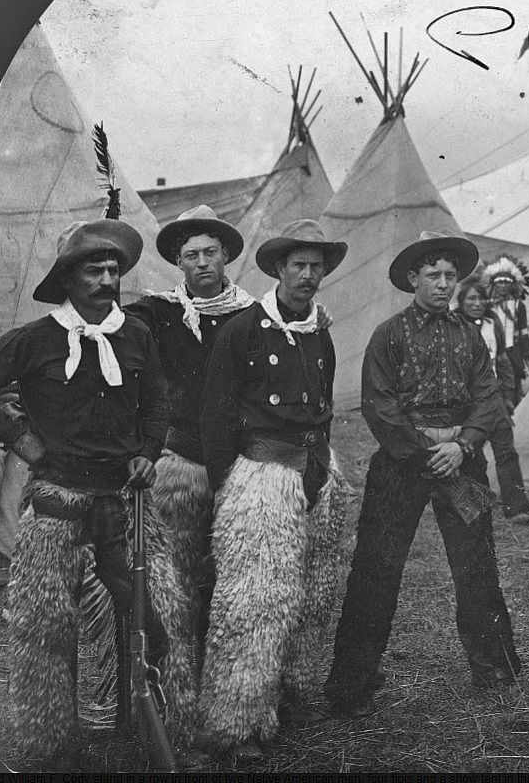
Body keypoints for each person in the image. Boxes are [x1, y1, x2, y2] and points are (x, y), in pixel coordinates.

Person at [0, 219, 191, 764]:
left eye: (113, 270)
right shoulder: (36, 338)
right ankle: (53, 743)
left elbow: (157, 402)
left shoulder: (136, 336)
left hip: (126, 502)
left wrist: (148, 450)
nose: (108, 279)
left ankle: (149, 727)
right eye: (95, 270)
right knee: (46, 628)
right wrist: (23, 441)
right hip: (56, 500)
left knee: (152, 615)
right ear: (68, 279)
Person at [326, 231, 522, 720]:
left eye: (450, 275)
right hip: (402, 463)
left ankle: (494, 667)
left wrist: (463, 445)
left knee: (476, 564)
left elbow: (488, 396)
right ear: (413, 278)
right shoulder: (389, 335)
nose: (443, 284)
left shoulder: (469, 335)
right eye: (433, 275)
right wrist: (422, 451)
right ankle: (353, 681)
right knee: (376, 568)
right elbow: (378, 402)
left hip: (461, 461)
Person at [198, 219, 354, 762]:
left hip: (315, 472)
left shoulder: (320, 333)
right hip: (262, 476)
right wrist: (226, 486)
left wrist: (322, 471)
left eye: (316, 267)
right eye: (298, 266)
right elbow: (216, 413)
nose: (308, 275)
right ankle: (235, 722)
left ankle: (286, 694)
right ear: (279, 269)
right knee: (254, 600)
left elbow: (324, 407)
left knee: (310, 593)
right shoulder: (244, 329)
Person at [124, 205, 255, 679]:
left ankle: (226, 677)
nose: (202, 262)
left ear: (226, 257)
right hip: (178, 461)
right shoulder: (156, 313)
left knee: (230, 575)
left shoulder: (253, 315)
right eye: (192, 255)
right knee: (175, 576)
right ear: (178, 262)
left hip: (238, 464)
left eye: (210, 252)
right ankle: (175, 677)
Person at [456, 274, 529, 523]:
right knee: (470, 452)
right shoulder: (453, 324)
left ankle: (517, 507)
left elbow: (503, 361)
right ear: (462, 301)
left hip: (494, 397)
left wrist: (508, 396)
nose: (477, 303)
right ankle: (468, 504)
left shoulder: (493, 322)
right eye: (471, 299)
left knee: (506, 450)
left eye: (481, 298)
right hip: (467, 400)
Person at [485, 256, 529, 405]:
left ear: (513, 285)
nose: (503, 286)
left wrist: (527, 356)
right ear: (493, 284)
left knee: (514, 386)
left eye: (507, 282)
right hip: (490, 353)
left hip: (512, 352)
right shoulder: (486, 305)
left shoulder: (518, 305)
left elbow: (523, 332)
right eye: (500, 282)